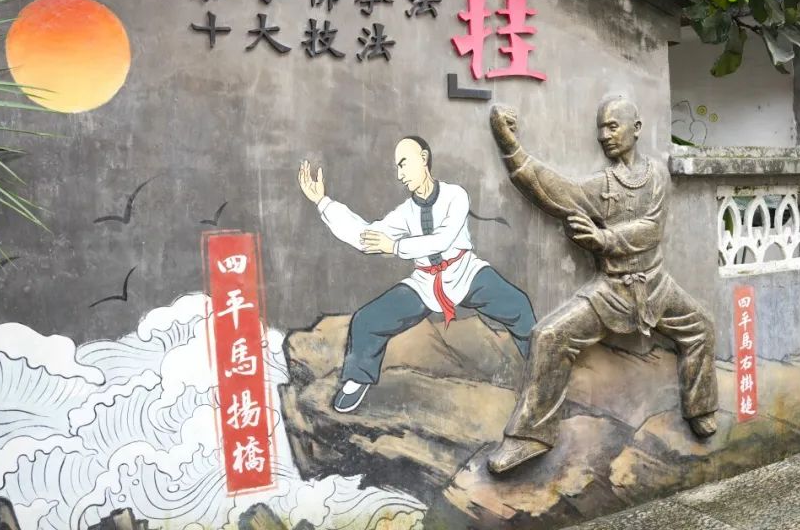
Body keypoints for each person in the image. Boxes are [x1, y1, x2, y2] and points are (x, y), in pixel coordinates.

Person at [484, 98, 718, 475]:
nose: (603, 135)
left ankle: (700, 408)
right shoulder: (603, 185)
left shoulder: (656, 176)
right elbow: (556, 192)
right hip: (612, 290)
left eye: (612, 126)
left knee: (701, 327)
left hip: (655, 285)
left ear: (636, 129)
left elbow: (651, 229)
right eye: (600, 128)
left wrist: (602, 239)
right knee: (549, 337)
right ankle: (530, 437)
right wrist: (511, 146)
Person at [298, 136, 536, 413]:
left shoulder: (455, 196)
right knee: (366, 320)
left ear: (423, 158)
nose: (400, 174)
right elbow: (365, 237)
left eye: (403, 164)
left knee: (518, 305)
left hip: (464, 272)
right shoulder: (404, 214)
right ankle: (357, 379)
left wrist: (396, 247)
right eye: (397, 168)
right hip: (425, 283)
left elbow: (443, 240)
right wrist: (323, 203)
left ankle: (541, 372)